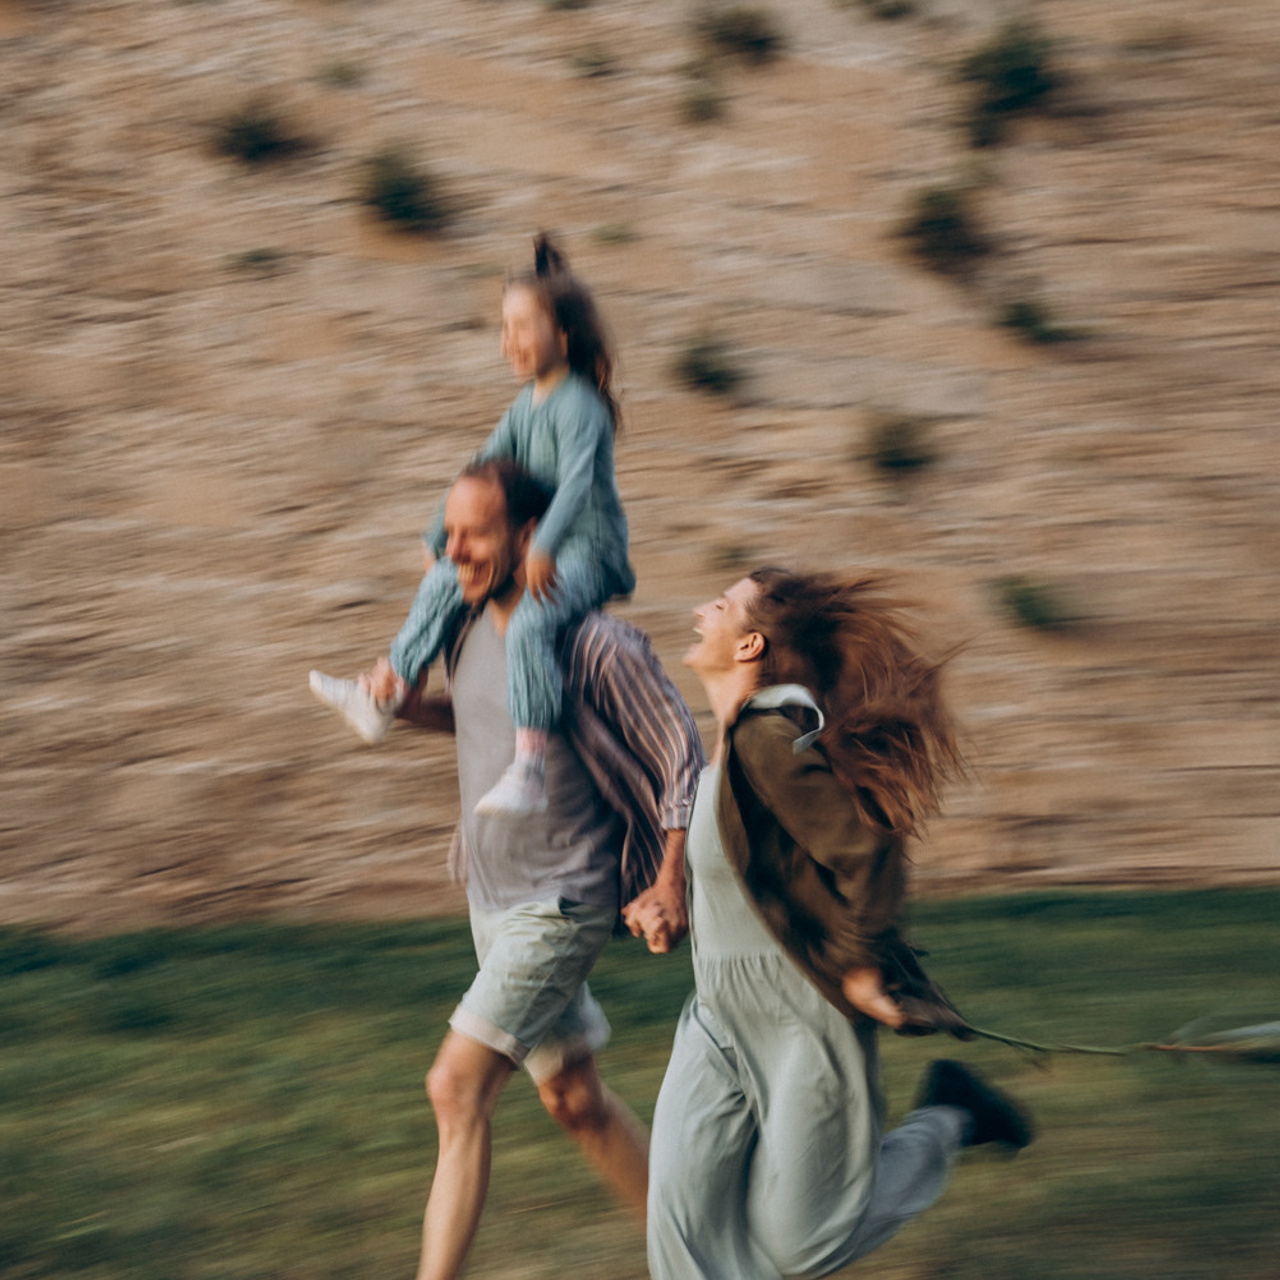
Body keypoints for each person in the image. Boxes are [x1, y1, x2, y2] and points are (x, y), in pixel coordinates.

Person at [647, 567, 1033, 1280]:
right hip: (717, 1016)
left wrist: (860, 966)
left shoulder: (767, 740)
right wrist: (666, 897)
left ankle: (952, 1117)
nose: (704, 610)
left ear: (750, 644)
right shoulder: (727, 756)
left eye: (723, 605)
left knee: (802, 1241)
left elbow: (869, 852)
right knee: (683, 1229)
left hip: (802, 1018)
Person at [372, 458, 701, 1280]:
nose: (453, 550)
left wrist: (670, 879)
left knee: (455, 1089)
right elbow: (483, 719)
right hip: (491, 896)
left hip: (563, 899)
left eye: (472, 534)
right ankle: (706, 1262)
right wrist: (411, 709)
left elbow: (681, 756)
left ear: (529, 536)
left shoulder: (595, 641)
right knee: (576, 1102)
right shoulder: (465, 621)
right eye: (447, 533)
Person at [310, 234, 635, 817]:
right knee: (443, 582)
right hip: (542, 544)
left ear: (562, 338)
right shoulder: (525, 406)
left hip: (587, 549)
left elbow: (578, 485)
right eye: (503, 327)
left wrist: (546, 549)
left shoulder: (581, 404)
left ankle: (529, 767)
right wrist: (437, 539)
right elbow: (478, 472)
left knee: (532, 621)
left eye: (522, 326)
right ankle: (384, 695)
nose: (508, 340)